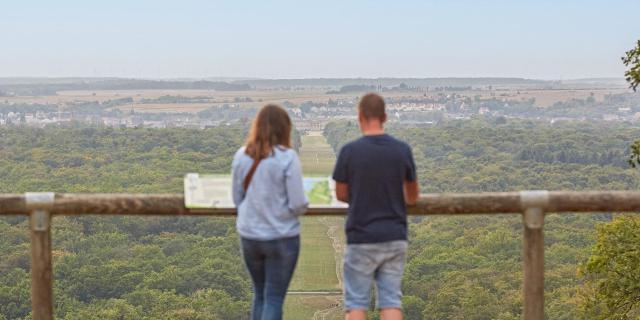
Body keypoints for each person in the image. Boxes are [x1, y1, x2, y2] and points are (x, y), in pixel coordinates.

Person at [332, 93, 419, 320]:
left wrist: (364, 196)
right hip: (394, 234)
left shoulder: (350, 151)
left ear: (360, 116)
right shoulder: (402, 150)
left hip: (361, 234)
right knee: (391, 302)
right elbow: (413, 196)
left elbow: (341, 194)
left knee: (356, 304)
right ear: (385, 117)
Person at [231, 104, 308, 320]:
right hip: (282, 236)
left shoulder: (241, 156)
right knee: (274, 298)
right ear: (285, 129)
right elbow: (298, 203)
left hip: (250, 237)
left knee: (260, 295)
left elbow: (237, 199)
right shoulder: (288, 157)